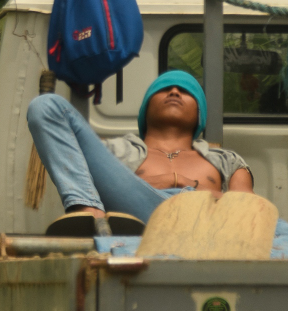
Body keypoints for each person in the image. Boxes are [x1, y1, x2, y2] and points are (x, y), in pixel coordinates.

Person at [26, 70, 253, 229]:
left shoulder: (227, 160)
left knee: (283, 230)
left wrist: (179, 182)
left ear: (200, 113)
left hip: (201, 223)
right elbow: (97, 182)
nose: (174, 91)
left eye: (185, 91)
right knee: (44, 105)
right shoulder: (113, 151)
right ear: (146, 108)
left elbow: (248, 210)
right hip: (138, 215)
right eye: (164, 89)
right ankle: (89, 214)